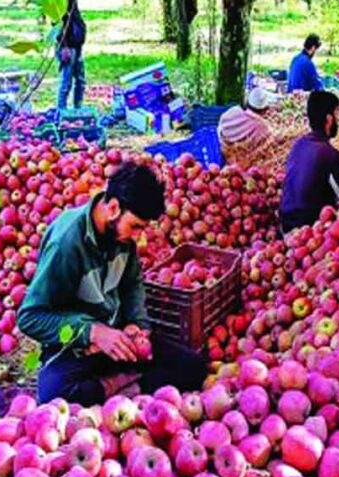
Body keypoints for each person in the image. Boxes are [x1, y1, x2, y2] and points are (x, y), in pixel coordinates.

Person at [18, 163, 208, 406]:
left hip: (119, 339)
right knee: (54, 396)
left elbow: (132, 284)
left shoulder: (120, 236)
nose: (138, 236)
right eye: (136, 226)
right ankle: (126, 385)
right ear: (114, 208)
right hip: (76, 347)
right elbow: (30, 317)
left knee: (193, 367)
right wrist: (93, 333)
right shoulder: (67, 243)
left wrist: (136, 324)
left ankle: (122, 389)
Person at [279, 91, 339, 234]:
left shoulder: (298, 144)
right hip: (308, 233)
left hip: (285, 224)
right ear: (329, 119)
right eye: (337, 114)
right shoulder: (331, 154)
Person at [52, 0, 87, 110]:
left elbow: (74, 9)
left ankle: (78, 112)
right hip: (66, 40)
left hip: (76, 37)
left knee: (80, 80)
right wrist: (63, 44)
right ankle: (61, 115)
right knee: (66, 82)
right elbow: (55, 15)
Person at [217, 87, 274, 165]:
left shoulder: (232, 111)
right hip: (240, 163)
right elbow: (260, 151)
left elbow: (220, 129)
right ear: (265, 109)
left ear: (247, 102)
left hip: (220, 152)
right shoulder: (263, 128)